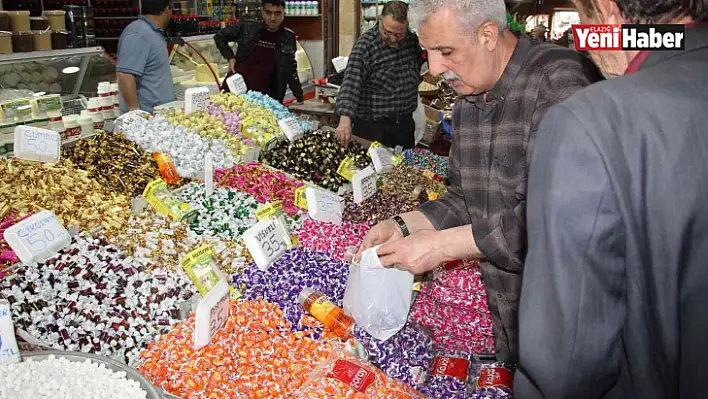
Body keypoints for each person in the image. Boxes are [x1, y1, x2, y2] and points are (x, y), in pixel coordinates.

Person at [355, 0, 602, 361]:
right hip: (510, 317)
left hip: (569, 317)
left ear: (488, 34)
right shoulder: (467, 103)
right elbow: (464, 197)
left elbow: (561, 219)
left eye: (446, 51)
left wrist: (440, 246)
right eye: (428, 53)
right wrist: (404, 225)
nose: (435, 68)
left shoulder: (557, 82)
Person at [515, 0, 708, 397]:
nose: (585, 45)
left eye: (584, 21)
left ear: (606, 12)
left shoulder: (590, 122)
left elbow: (566, 366)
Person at [335, 1, 424, 149]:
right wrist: (345, 122)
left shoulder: (411, 40)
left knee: (404, 169)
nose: (393, 39)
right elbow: (351, 85)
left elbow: (421, 66)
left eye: (399, 34)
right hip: (374, 128)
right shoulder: (366, 45)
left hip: (405, 125)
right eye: (388, 32)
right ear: (380, 20)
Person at [213, 0, 304, 103]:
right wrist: (230, 57)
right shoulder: (246, 28)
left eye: (277, 13)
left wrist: (299, 97)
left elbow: (290, 70)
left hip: (265, 100)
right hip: (235, 93)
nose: (272, 18)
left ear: (284, 14)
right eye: (268, 12)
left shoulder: (288, 38)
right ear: (262, 12)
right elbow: (219, 37)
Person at [116, 0, 174, 113]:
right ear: (167, 10)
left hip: (160, 117)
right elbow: (125, 75)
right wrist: (137, 114)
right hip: (147, 121)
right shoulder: (138, 33)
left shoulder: (153, 32)